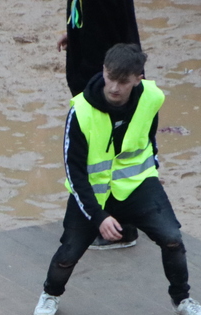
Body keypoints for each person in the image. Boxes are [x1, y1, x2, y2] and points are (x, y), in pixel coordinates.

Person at [33, 44, 201, 315]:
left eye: (123, 81)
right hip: (93, 194)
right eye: (110, 78)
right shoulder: (81, 111)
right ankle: (50, 294)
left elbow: (149, 138)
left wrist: (152, 170)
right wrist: (98, 217)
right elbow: (74, 171)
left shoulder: (152, 98)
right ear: (103, 70)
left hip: (137, 186)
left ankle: (182, 300)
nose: (114, 88)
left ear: (138, 79)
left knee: (172, 239)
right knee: (68, 253)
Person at [58, 0, 142, 250]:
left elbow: (127, 32)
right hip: (87, 77)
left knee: (111, 154)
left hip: (105, 86)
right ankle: (96, 219)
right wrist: (75, 34)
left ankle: (122, 229)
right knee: (90, 153)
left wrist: (129, 87)